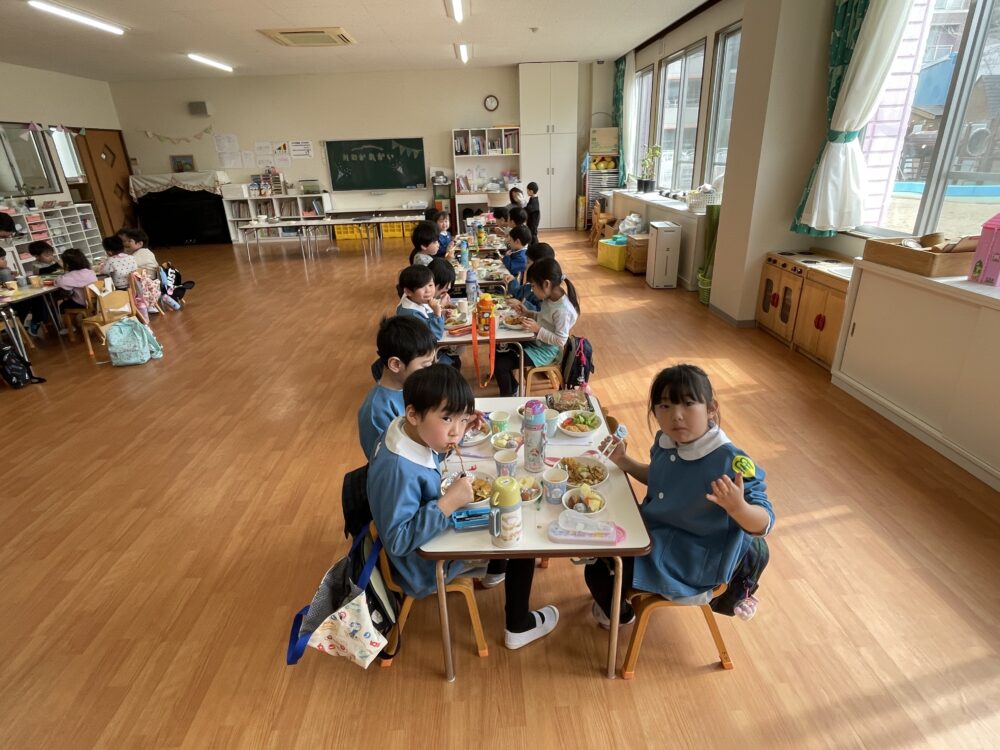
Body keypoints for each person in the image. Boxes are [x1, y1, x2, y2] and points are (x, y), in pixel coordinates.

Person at [366, 364, 559, 649]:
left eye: (462, 419)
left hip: (427, 534)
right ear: (413, 414)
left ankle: (494, 572)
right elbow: (398, 540)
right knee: (519, 535)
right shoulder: (398, 471)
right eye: (447, 419)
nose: (456, 432)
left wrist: (460, 426)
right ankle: (518, 625)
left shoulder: (402, 430)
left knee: (501, 507)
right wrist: (447, 503)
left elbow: (426, 455)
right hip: (421, 565)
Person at [584, 364, 775, 627]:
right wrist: (624, 461)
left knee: (598, 568)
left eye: (688, 404)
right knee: (594, 536)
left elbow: (765, 522)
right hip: (656, 533)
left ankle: (621, 616)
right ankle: (615, 599)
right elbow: (661, 477)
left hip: (691, 559)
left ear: (711, 408)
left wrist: (739, 508)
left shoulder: (730, 461)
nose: (676, 415)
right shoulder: (667, 440)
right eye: (665, 406)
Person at [358, 316, 438, 460]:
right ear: (395, 364)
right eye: (425, 365)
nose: (430, 371)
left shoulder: (413, 386)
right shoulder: (376, 411)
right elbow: (386, 463)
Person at [496, 258, 579, 397]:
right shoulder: (550, 298)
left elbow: (560, 340)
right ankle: (514, 388)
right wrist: (528, 313)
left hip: (545, 352)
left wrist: (538, 329)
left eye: (533, 286)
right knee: (500, 348)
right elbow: (544, 318)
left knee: (501, 364)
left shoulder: (562, 310)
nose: (532, 290)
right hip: (536, 342)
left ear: (546, 284)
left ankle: (508, 398)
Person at [510, 242, 555, 312]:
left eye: (528, 262)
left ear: (539, 265)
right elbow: (518, 293)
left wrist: (522, 303)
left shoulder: (543, 289)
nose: (525, 265)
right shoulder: (531, 284)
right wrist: (512, 280)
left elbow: (540, 312)